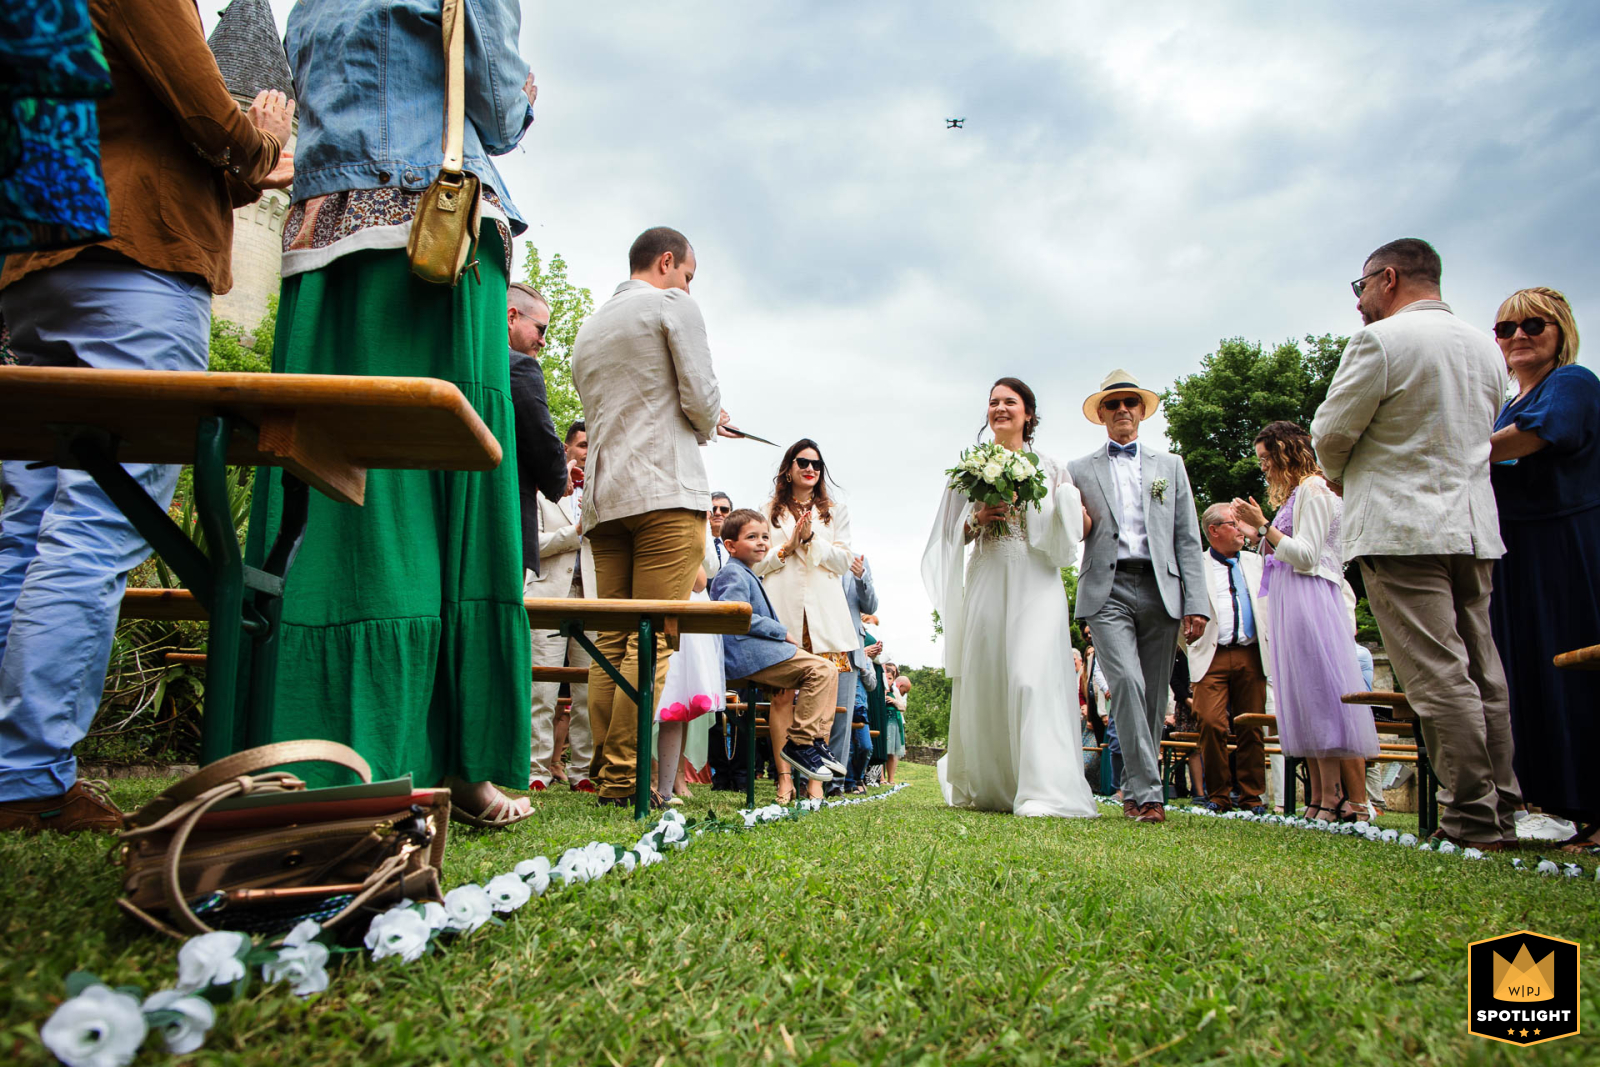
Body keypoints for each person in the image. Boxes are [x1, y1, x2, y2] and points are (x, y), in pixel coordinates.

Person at [244, 0, 537, 826]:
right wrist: (526, 99)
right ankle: (449, 759)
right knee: (443, 483)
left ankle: (312, 751)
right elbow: (500, 107)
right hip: (428, 239)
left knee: (330, 490)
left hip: (318, 244)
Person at [0, 0, 291, 833]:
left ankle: (11, 765)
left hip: (39, 267)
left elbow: (188, 149)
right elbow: (204, 111)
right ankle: (27, 776)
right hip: (135, 260)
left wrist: (243, 162)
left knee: (32, 522)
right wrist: (261, 136)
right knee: (99, 518)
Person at [1311, 238, 1521, 849]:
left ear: (1389, 278)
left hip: (1402, 531)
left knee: (1436, 677)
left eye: (1362, 287)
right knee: (1484, 673)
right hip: (1474, 528)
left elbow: (1330, 435)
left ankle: (1472, 821)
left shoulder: (1380, 342)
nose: (1359, 303)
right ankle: (1504, 807)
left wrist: (1348, 476)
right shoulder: (1486, 349)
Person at [571, 226, 732, 808]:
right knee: (653, 640)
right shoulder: (672, 305)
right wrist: (713, 420)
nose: (688, 285)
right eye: (689, 274)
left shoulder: (590, 327)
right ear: (668, 263)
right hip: (665, 489)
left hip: (605, 499)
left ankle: (607, 774)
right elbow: (700, 399)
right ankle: (626, 780)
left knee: (611, 638)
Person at [922, 377, 1097, 818]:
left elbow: (1082, 526)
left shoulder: (1053, 466)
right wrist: (977, 517)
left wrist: (1066, 509)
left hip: (1037, 579)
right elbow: (949, 536)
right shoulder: (967, 471)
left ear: (1028, 414)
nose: (1000, 408)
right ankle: (996, 784)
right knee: (989, 674)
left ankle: (1042, 788)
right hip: (988, 575)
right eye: (993, 402)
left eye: (1010, 402)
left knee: (1029, 676)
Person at [1485, 287, 1600, 849]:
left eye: (1534, 325)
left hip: (1567, 543)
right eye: (1506, 328)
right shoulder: (1504, 406)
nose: (1519, 336)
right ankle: (1562, 806)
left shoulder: (1572, 383)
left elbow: (1537, 437)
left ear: (1560, 332)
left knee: (1574, 667)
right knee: (1527, 677)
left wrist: (1455, 451)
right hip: (1516, 554)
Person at [1069, 370, 1209, 824]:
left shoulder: (1170, 467)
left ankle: (1134, 787)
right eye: (1113, 404)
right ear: (1101, 415)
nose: (1122, 409)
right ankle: (1150, 795)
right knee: (1126, 683)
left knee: (1152, 697)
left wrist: (1196, 601)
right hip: (1105, 590)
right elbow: (1072, 531)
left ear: (1142, 411)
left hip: (1161, 587)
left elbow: (1188, 537)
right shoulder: (1078, 470)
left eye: (1131, 402)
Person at [1233, 422, 1379, 822]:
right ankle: (1319, 797)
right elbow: (1283, 550)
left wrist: (1265, 526)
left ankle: (1335, 797)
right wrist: (1257, 534)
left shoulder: (1314, 490)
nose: (1262, 467)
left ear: (1285, 453)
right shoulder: (1297, 495)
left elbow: (1308, 555)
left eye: (1266, 458)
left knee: (1323, 696)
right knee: (1306, 699)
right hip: (1291, 599)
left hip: (1312, 597)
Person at [708, 509, 841, 791]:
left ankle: (813, 741)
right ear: (730, 546)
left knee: (829, 669)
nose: (761, 543)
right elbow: (734, 614)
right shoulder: (731, 572)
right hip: (746, 655)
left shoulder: (746, 572)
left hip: (760, 651)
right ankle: (800, 742)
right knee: (820, 669)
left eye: (765, 537)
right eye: (752, 537)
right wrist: (781, 632)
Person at [755, 440, 857, 802]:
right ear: (789, 467)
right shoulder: (768, 509)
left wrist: (811, 540)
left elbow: (844, 562)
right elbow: (756, 561)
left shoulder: (835, 511)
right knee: (782, 697)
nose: (810, 468)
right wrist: (788, 547)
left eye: (816, 464)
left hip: (825, 614)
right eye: (802, 462)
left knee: (823, 700)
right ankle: (784, 779)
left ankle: (815, 781)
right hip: (783, 609)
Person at [1182, 505, 1269, 814]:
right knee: (1210, 722)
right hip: (1212, 654)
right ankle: (1218, 795)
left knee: (1251, 726)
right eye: (1233, 524)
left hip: (1250, 653)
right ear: (1213, 531)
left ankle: (1251, 798)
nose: (1239, 530)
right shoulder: (1195, 565)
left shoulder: (1256, 562)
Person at [526, 420, 596, 792]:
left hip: (594, 598)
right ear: (567, 449)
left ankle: (582, 771)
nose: (588, 450)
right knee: (544, 687)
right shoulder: (539, 491)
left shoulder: (605, 490)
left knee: (589, 689)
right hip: (549, 594)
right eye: (583, 444)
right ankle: (536, 770)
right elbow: (531, 544)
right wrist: (575, 533)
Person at [507, 283, 571, 580]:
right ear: (511, 317)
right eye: (541, 329)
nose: (543, 342)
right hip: (505, 519)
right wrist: (560, 478)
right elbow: (543, 443)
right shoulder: (520, 367)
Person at [652, 566, 724, 805]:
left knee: (673, 706)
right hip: (675, 612)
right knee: (671, 702)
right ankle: (662, 787)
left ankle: (664, 785)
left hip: (675, 610)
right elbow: (699, 581)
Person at [830, 553, 879, 795]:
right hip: (816, 642)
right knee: (813, 713)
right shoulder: (813, 552)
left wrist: (861, 577)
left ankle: (836, 782)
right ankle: (807, 778)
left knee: (842, 720)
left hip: (849, 650)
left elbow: (870, 606)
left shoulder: (856, 560)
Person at [704, 492, 733, 580]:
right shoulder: (697, 542)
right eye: (713, 509)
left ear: (731, 514)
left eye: (724, 509)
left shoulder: (738, 545)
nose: (717, 513)